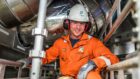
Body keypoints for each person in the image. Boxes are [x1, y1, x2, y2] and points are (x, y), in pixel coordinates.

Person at [42, 4, 119, 79]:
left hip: (85, 77)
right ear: (68, 24)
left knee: (91, 76)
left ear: (86, 26)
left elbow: (113, 59)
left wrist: (93, 63)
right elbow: (45, 57)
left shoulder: (93, 42)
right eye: (75, 22)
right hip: (67, 77)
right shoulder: (60, 43)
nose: (78, 27)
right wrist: (31, 60)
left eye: (82, 23)